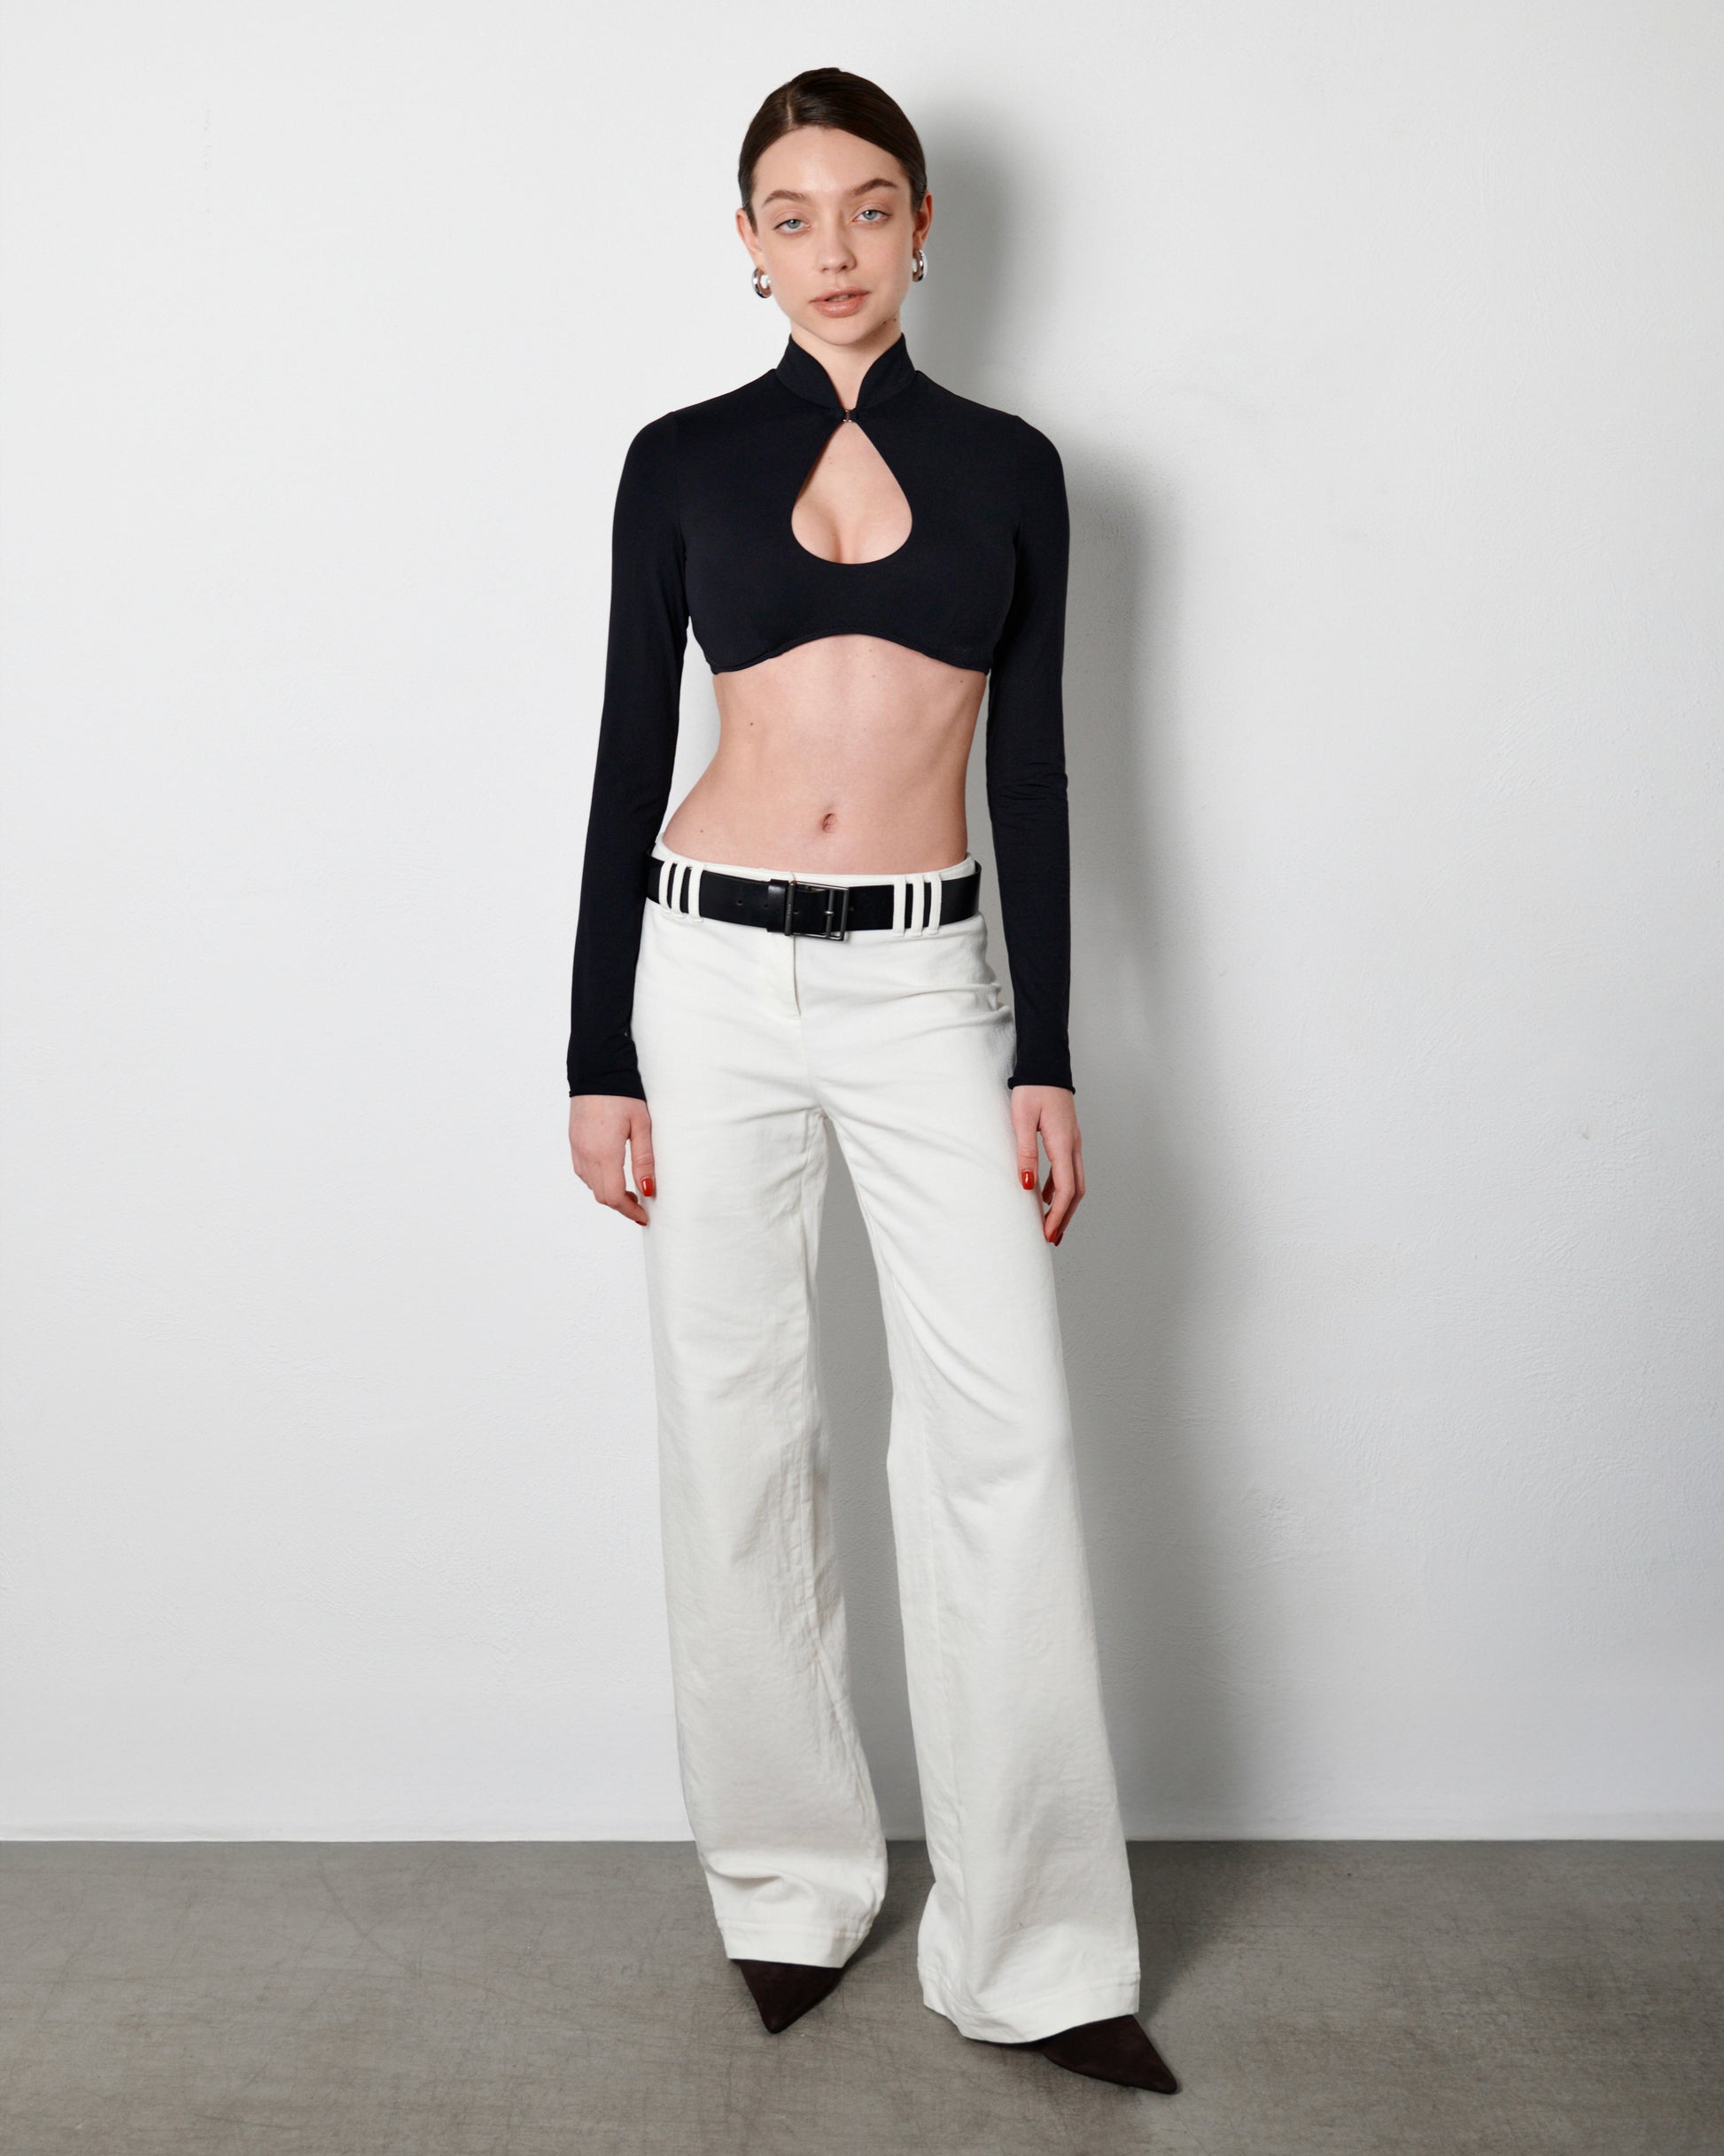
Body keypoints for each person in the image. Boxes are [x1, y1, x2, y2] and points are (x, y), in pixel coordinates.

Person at [565, 67, 1177, 2097]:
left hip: (926, 981)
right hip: (706, 975)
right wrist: (595, 1047)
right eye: (791, 213)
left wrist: (1044, 1048)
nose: (831, 249)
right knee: (735, 1426)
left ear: (923, 228)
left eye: (868, 208)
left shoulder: (1013, 467)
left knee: (1001, 1436)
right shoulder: (677, 461)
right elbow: (621, 752)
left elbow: (1036, 768)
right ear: (745, 244)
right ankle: (786, 1886)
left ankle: (1040, 1949)